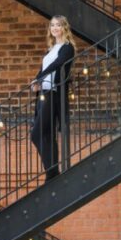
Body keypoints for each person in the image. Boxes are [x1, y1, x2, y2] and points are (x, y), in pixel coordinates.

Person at [30, 15, 75, 180]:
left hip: (54, 94)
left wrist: (40, 77)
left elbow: (57, 64)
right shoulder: (51, 48)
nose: (55, 28)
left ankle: (52, 172)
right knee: (46, 134)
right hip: (44, 93)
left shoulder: (67, 48)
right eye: (52, 25)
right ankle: (52, 172)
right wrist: (37, 81)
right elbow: (44, 66)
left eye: (58, 25)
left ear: (64, 28)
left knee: (36, 134)